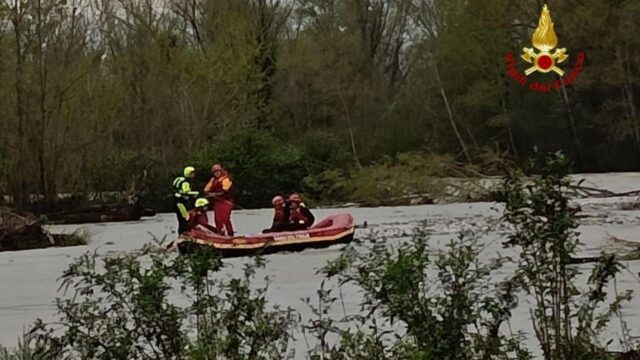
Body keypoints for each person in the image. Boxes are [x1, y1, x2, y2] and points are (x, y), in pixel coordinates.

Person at [204, 164, 234, 236]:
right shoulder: (213, 180)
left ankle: (230, 234)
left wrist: (214, 194)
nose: (217, 173)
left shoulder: (226, 178)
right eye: (215, 171)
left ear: (221, 171)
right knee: (218, 220)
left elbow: (225, 190)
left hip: (227, 201)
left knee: (225, 218)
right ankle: (220, 234)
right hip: (218, 202)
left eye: (218, 171)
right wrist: (210, 193)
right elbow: (206, 189)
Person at [172, 166, 199, 234]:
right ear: (188, 173)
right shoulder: (185, 182)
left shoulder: (180, 180)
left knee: (181, 220)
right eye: (192, 173)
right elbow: (186, 192)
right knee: (185, 219)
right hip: (181, 204)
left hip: (177, 202)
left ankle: (182, 233)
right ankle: (184, 234)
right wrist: (196, 193)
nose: (193, 175)